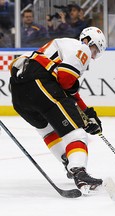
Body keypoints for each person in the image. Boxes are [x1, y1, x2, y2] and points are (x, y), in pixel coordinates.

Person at [9, 26, 107, 194]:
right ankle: (79, 171)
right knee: (76, 133)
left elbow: (65, 85)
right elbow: (66, 81)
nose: (92, 55)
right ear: (89, 42)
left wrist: (86, 111)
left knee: (46, 130)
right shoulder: (81, 48)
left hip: (19, 93)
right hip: (39, 83)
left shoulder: (61, 46)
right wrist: (83, 117)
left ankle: (67, 160)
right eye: (95, 50)